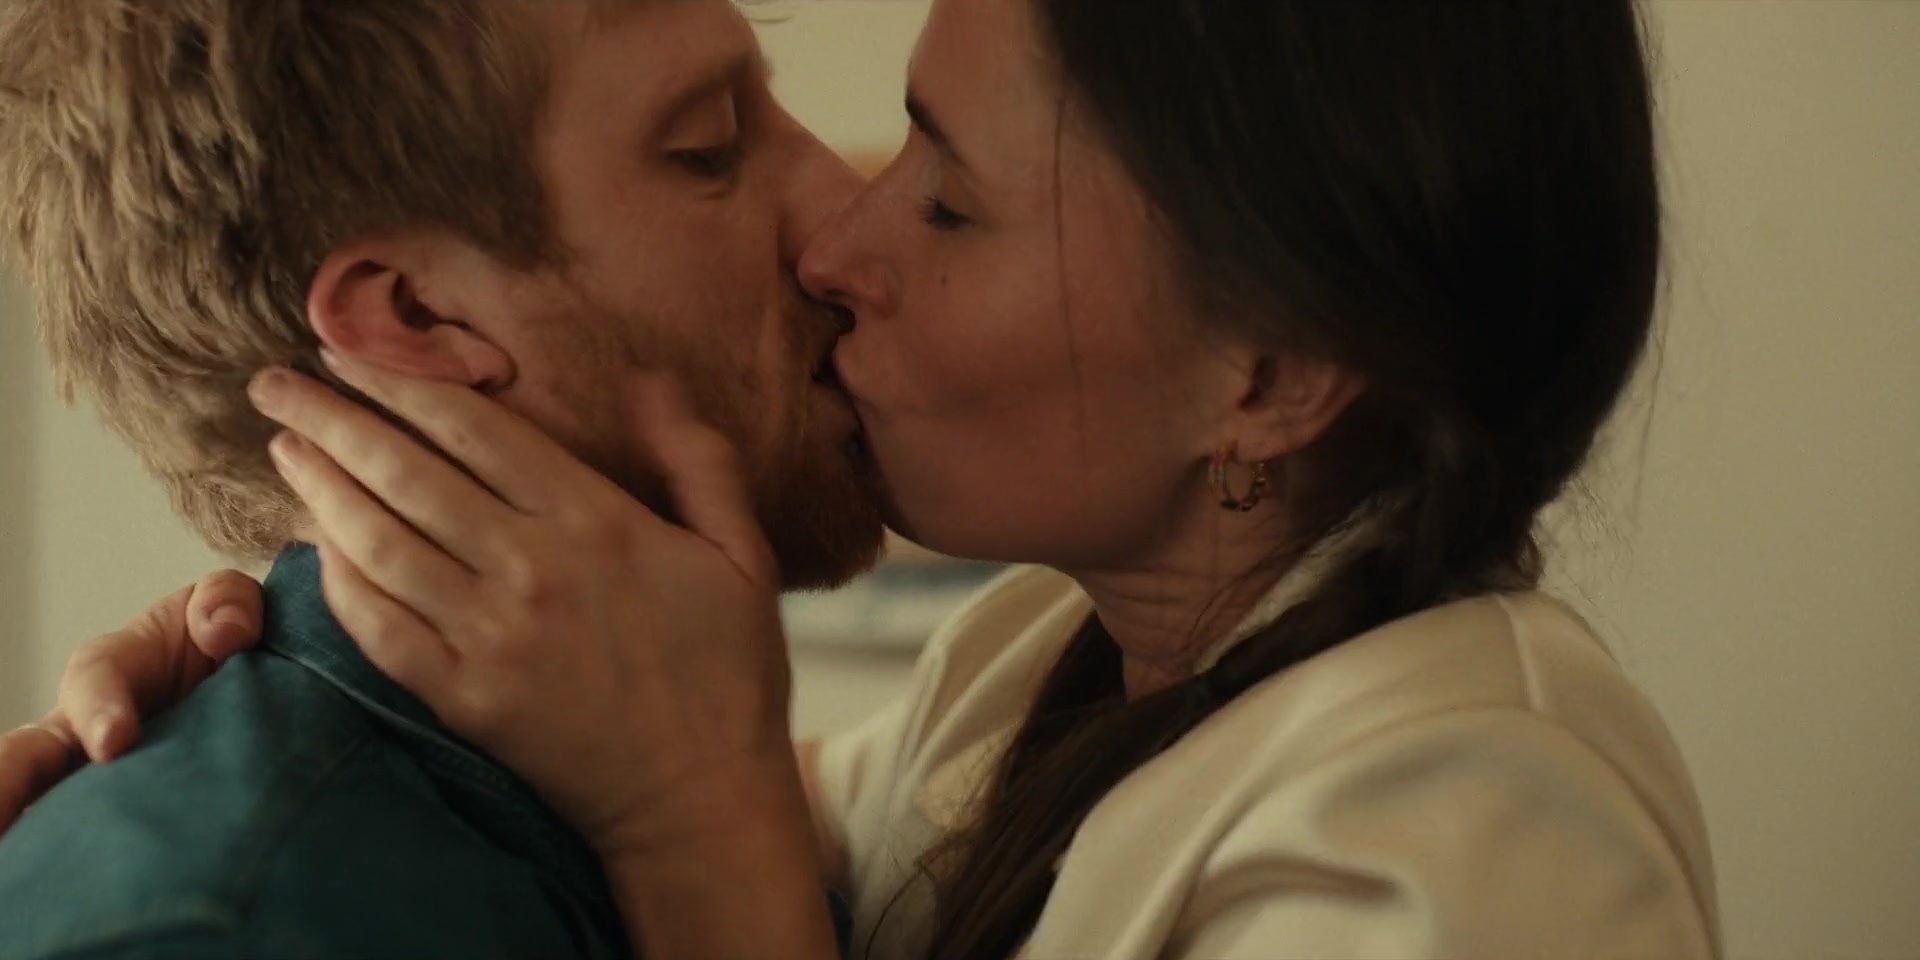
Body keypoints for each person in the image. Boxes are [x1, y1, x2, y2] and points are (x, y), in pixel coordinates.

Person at [1, 0, 1724, 957]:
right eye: (710, 148)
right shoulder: (1032, 676)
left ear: (1267, 376)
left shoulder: (1464, 841)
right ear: (417, 323)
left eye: (952, 203)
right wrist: (262, 644)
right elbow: (645, 726)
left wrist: (702, 839)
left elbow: (697, 775)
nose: (838, 229)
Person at [0, 0, 874, 956]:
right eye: (708, 148)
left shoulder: (710, 805)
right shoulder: (230, 929)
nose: (846, 208)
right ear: (416, 314)